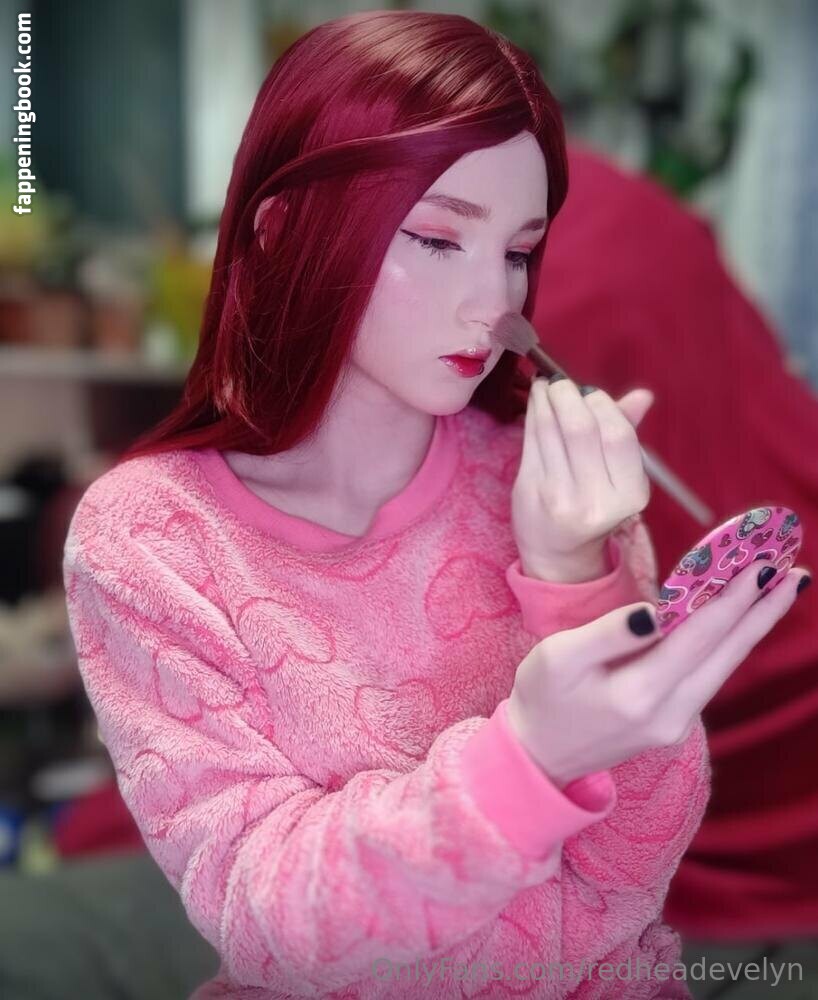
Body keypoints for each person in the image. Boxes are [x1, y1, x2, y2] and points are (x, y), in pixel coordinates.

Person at [61, 11, 808, 999]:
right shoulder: (151, 539)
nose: (494, 306)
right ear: (280, 229)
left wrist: (575, 578)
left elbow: (633, 875)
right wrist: (530, 754)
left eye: (517, 252)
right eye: (438, 238)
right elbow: (267, 916)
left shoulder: (544, 485)